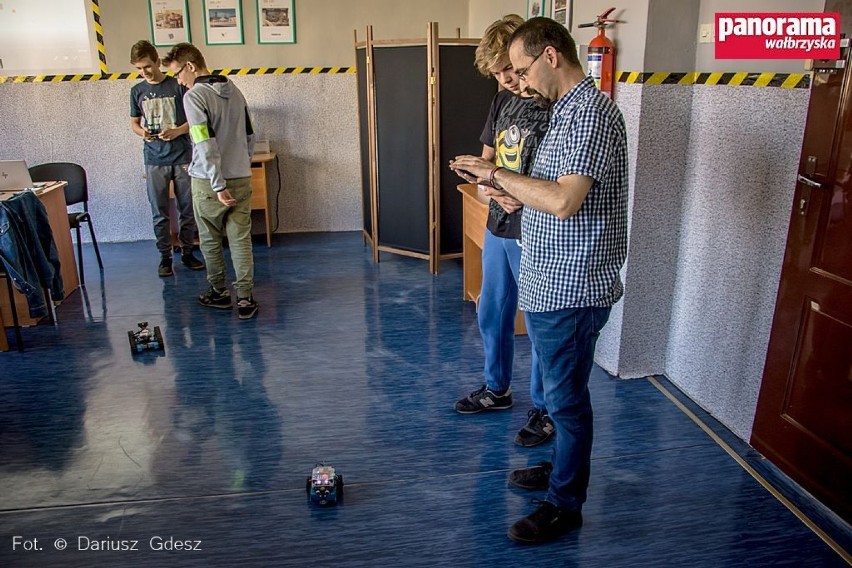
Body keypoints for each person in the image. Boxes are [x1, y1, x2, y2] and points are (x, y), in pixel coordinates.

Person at [450, 17, 629, 544]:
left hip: (575, 285)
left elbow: (564, 200)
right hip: (552, 279)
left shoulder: (590, 115)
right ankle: (559, 470)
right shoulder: (567, 111)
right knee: (558, 393)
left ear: (550, 56)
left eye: (522, 69)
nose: (520, 82)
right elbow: (549, 190)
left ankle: (564, 504)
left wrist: (495, 176)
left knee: (567, 403)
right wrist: (509, 194)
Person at [453, 15, 555, 449]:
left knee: (538, 325)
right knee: (491, 311)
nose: (507, 80)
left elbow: (558, 185)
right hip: (499, 224)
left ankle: (545, 409)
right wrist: (488, 184)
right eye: (497, 73)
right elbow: (485, 165)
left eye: (511, 70)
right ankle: (497, 390)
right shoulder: (501, 102)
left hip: (536, 229)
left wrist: (517, 191)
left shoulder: (552, 104)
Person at [163, 43, 258, 320]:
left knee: (210, 240)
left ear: (190, 66)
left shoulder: (194, 97)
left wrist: (217, 184)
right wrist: (241, 164)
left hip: (208, 182)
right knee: (240, 239)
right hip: (241, 175)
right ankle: (245, 299)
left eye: (178, 74)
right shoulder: (235, 91)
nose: (178, 81)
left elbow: (204, 142)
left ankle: (218, 293)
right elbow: (250, 134)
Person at [129, 40, 205, 277]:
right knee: (159, 210)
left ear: (156, 61)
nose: (144, 72)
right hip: (154, 158)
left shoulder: (178, 84)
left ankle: (188, 251)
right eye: (139, 69)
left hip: (181, 155)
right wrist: (143, 134)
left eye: (148, 66)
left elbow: (194, 119)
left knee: (186, 208)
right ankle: (164, 257)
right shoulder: (137, 91)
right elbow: (134, 123)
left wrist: (177, 131)